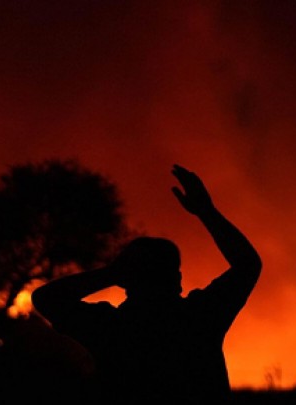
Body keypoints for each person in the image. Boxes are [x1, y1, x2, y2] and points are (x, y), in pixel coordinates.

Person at [32, 164, 261, 403]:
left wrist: (112, 273)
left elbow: (46, 299)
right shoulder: (200, 316)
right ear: (177, 280)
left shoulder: (110, 328)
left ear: (127, 280)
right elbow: (247, 264)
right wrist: (207, 212)